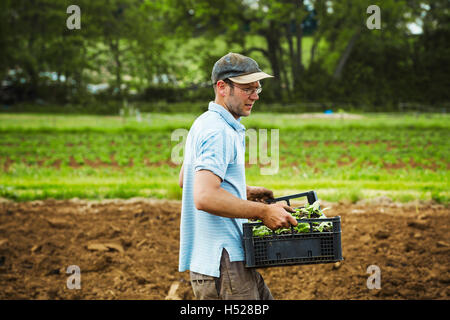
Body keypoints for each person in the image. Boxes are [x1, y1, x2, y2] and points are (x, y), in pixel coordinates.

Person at [178, 52, 298, 300]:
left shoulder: (204, 122)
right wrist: (264, 212)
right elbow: (204, 196)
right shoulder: (217, 131)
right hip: (224, 264)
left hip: (226, 260)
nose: (255, 96)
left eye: (257, 88)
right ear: (222, 87)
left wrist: (242, 191)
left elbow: (187, 180)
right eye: (247, 89)